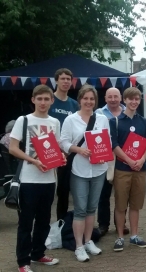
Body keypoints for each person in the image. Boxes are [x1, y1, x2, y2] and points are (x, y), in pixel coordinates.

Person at [9, 85, 62, 272]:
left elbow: (56, 148)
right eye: (39, 99)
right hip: (28, 180)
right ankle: (23, 262)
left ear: (52, 101)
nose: (43, 102)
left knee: (43, 220)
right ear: (33, 100)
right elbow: (13, 148)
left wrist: (61, 157)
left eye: (46, 99)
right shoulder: (23, 120)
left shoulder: (55, 122)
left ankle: (38, 253)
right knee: (26, 222)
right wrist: (33, 160)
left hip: (49, 180)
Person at [59, 84, 109, 262]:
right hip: (79, 169)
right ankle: (78, 246)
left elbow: (107, 141)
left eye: (92, 99)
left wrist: (104, 154)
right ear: (80, 100)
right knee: (80, 209)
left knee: (91, 208)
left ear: (95, 101)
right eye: (85, 98)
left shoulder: (102, 119)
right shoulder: (70, 120)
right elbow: (63, 142)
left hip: (99, 169)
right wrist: (78, 150)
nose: (88, 102)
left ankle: (88, 241)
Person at [110, 87, 146, 251]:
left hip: (140, 169)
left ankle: (134, 235)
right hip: (122, 169)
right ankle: (120, 237)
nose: (134, 102)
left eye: (137, 99)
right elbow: (114, 145)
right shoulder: (115, 121)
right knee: (120, 204)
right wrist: (129, 160)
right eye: (130, 99)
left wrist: (141, 160)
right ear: (124, 101)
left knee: (135, 204)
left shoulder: (143, 121)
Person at [95, 87, 129, 236]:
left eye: (116, 96)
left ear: (120, 97)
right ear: (105, 98)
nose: (113, 99)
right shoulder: (98, 114)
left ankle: (121, 223)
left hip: (123, 156)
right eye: (110, 97)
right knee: (103, 193)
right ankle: (103, 224)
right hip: (105, 157)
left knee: (122, 193)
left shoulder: (128, 112)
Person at [50, 68, 80, 220]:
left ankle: (65, 223)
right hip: (51, 152)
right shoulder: (48, 101)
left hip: (70, 153)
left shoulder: (74, 104)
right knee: (53, 191)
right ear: (56, 80)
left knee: (66, 190)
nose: (66, 82)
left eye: (69, 79)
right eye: (63, 79)